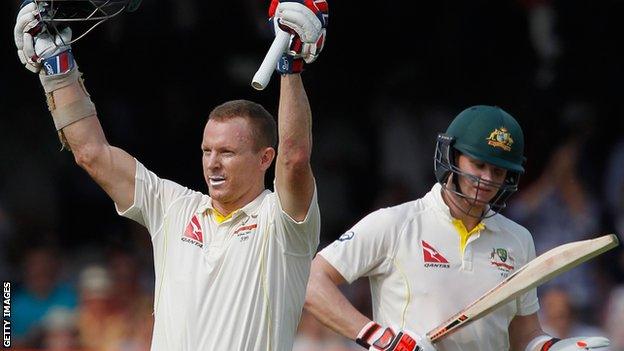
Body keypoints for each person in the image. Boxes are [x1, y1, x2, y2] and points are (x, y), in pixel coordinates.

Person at [14, 0, 327, 349]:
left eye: (227, 153)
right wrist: (56, 71)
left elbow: (295, 158)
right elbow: (91, 153)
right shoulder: (173, 207)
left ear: (264, 158)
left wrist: (291, 66)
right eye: (207, 151)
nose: (212, 163)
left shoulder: (282, 222)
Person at [304, 106, 610, 351]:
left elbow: (523, 333)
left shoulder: (518, 239)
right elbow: (312, 282)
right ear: (452, 156)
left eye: (498, 171)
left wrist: (548, 346)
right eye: (478, 165)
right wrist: (379, 337)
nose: (487, 179)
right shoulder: (396, 223)